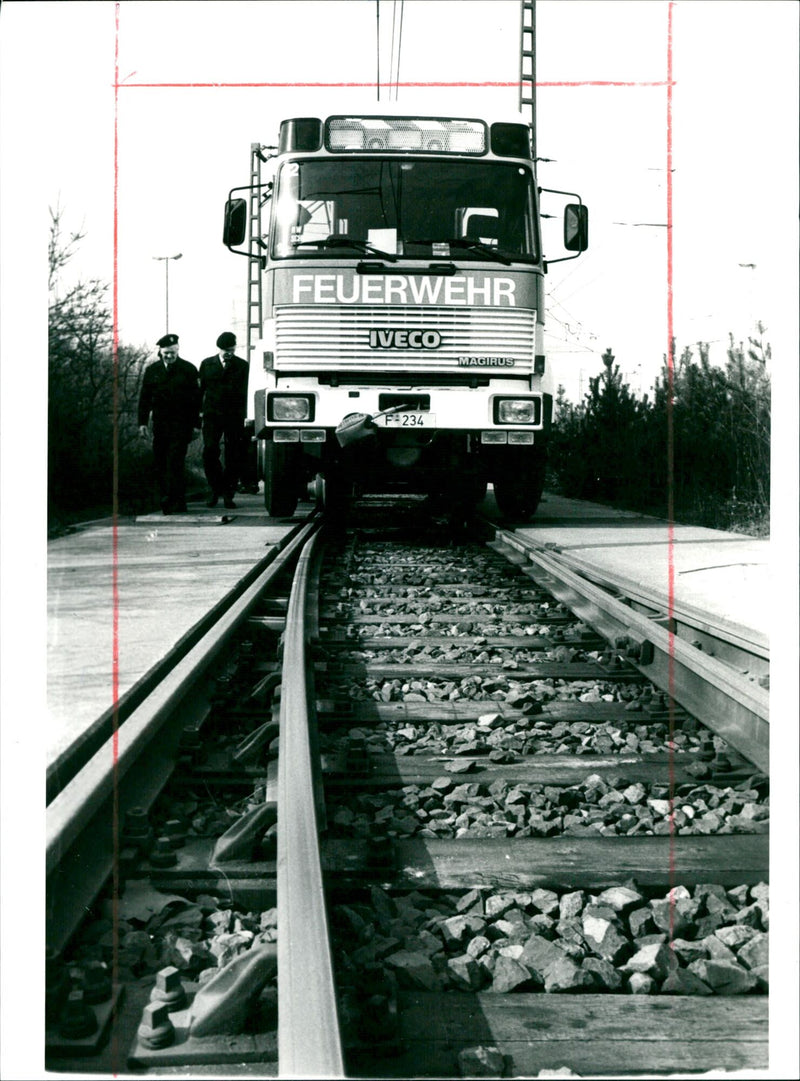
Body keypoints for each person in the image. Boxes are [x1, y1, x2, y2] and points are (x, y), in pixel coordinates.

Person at [138, 333, 200, 514]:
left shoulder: (189, 370)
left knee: (175, 462)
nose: (170, 356)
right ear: (160, 352)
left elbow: (196, 400)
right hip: (160, 426)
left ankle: (176, 500)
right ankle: (168, 498)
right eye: (166, 353)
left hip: (182, 426)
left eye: (173, 353)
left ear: (178, 350)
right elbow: (145, 399)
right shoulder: (152, 371)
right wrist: (142, 423)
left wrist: (197, 425)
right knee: (161, 462)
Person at [198, 332, 249, 509]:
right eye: (225, 350)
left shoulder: (242, 366)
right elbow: (200, 391)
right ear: (219, 348)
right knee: (209, 451)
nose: (228, 353)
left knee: (234, 454)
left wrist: (246, 417)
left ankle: (229, 493)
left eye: (231, 349)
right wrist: (199, 413)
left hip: (234, 417)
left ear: (235, 347)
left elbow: (246, 394)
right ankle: (215, 489)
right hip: (212, 416)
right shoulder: (207, 365)